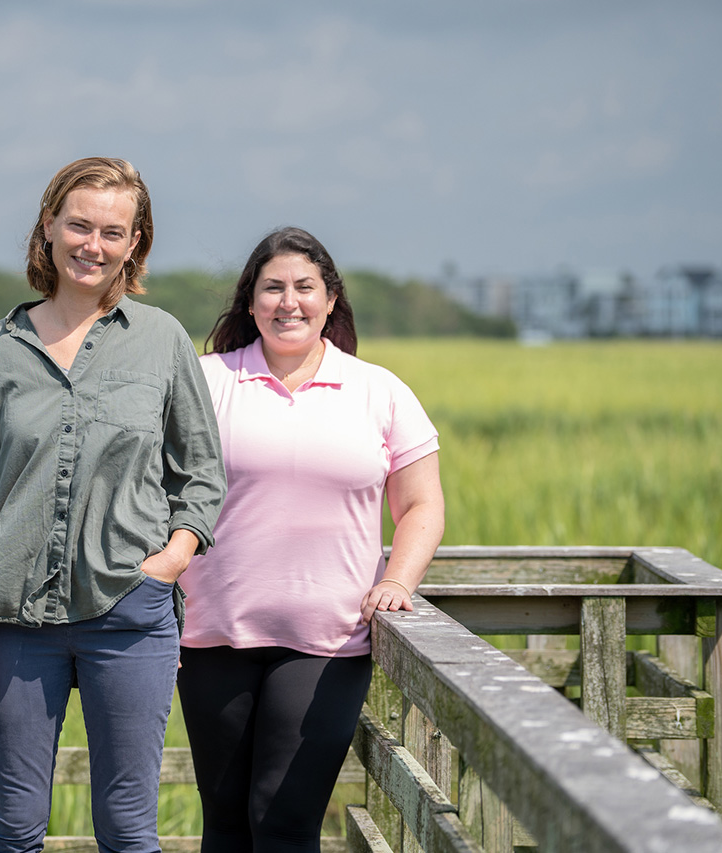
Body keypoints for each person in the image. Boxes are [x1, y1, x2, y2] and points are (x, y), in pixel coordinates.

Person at [0, 157, 227, 853]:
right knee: (11, 825)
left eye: (112, 231)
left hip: (130, 611)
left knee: (127, 827)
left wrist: (173, 556)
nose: (92, 244)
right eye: (79, 225)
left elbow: (203, 473)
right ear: (49, 227)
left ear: (135, 243)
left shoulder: (161, 341)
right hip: (11, 617)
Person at [176, 227, 445, 853]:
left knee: (284, 820)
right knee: (225, 823)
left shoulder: (379, 390)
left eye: (304, 288)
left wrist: (398, 581)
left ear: (330, 300)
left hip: (328, 641)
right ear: (250, 301)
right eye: (272, 287)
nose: (287, 302)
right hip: (212, 632)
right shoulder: (204, 380)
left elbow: (422, 505)